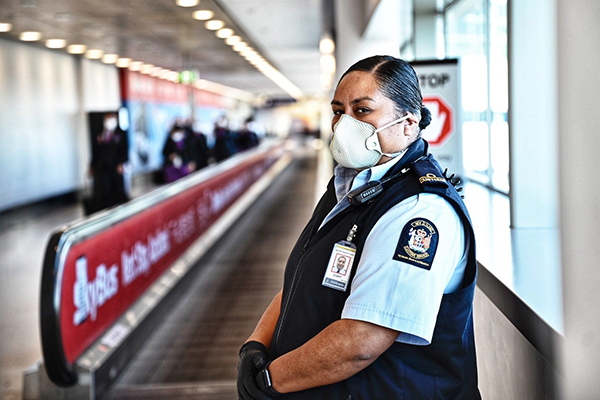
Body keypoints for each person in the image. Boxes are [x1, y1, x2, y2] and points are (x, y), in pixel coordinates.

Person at [237, 55, 480, 399]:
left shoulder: (418, 210)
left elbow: (362, 341)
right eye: (339, 111)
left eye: (362, 111)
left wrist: (269, 381)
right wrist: (255, 347)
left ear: (409, 123)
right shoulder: (349, 189)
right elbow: (301, 282)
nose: (344, 123)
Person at [87, 112, 129, 213]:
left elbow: (125, 150)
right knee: (103, 189)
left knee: (117, 188)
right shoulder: (100, 134)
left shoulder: (121, 134)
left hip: (115, 166)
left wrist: (122, 163)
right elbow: (96, 152)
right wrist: (92, 166)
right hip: (102, 167)